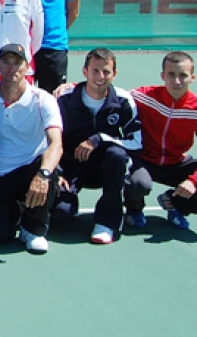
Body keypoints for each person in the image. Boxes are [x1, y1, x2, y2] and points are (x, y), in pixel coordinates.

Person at [0, 44, 62, 254]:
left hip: (29, 171)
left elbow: (56, 144)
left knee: (50, 171)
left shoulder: (43, 100)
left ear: (27, 66)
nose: (12, 68)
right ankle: (14, 210)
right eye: (6, 62)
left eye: (17, 62)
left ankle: (33, 229)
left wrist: (43, 174)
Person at [55, 48, 143, 244]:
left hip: (107, 168)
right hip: (72, 168)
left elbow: (136, 142)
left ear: (115, 74)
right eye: (95, 71)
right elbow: (49, 139)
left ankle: (107, 222)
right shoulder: (64, 98)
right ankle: (70, 203)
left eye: (106, 72)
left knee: (118, 156)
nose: (100, 77)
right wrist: (56, 171)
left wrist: (99, 138)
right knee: (60, 214)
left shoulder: (123, 100)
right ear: (85, 71)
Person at [126, 51, 197, 231]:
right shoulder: (144, 96)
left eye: (183, 75)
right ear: (162, 76)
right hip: (144, 160)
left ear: (192, 78)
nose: (176, 81)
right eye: (171, 74)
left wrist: (193, 181)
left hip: (175, 162)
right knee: (138, 184)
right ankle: (134, 210)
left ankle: (174, 202)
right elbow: (108, 93)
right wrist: (71, 87)